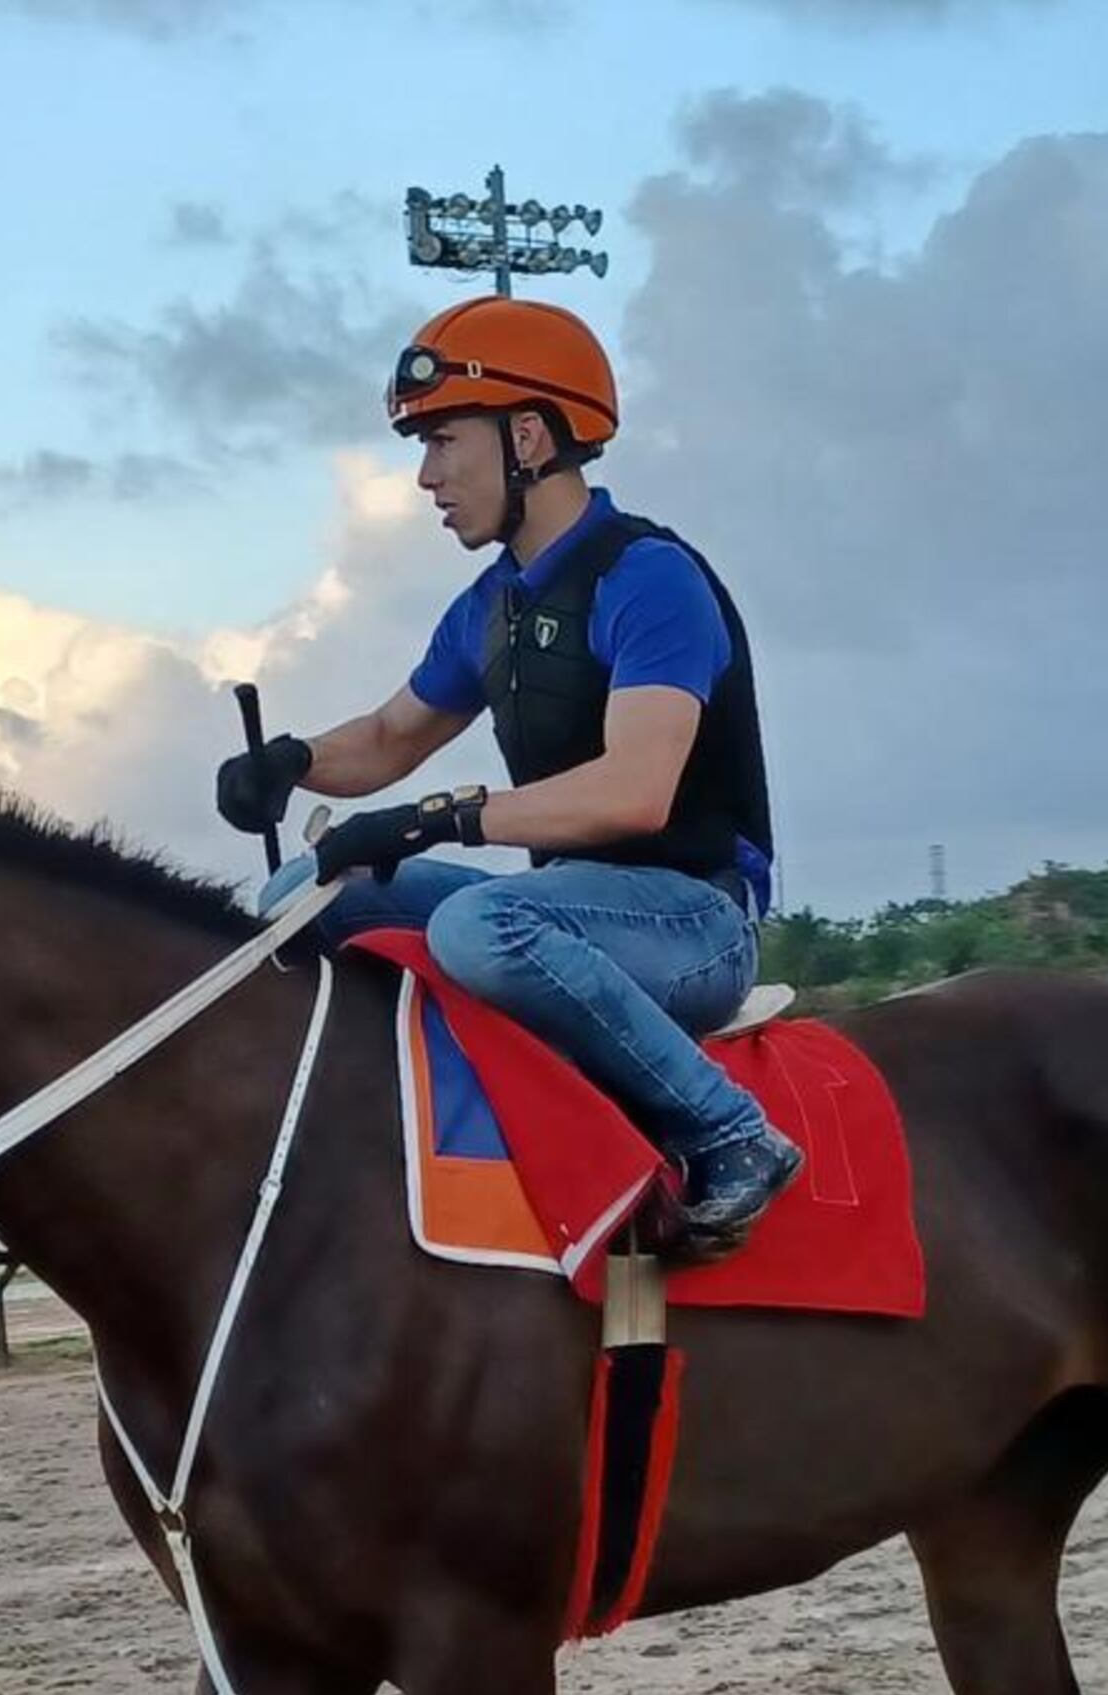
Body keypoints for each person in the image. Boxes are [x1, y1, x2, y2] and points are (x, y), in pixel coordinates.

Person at [217, 294, 802, 1258]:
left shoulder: (650, 578)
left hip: (694, 919)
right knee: (301, 892)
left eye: (444, 442)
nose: (425, 477)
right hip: (567, 912)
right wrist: (290, 762)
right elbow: (389, 736)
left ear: (527, 436)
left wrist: (435, 821)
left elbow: (633, 792)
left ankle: (732, 1131)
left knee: (477, 920)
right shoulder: (489, 607)